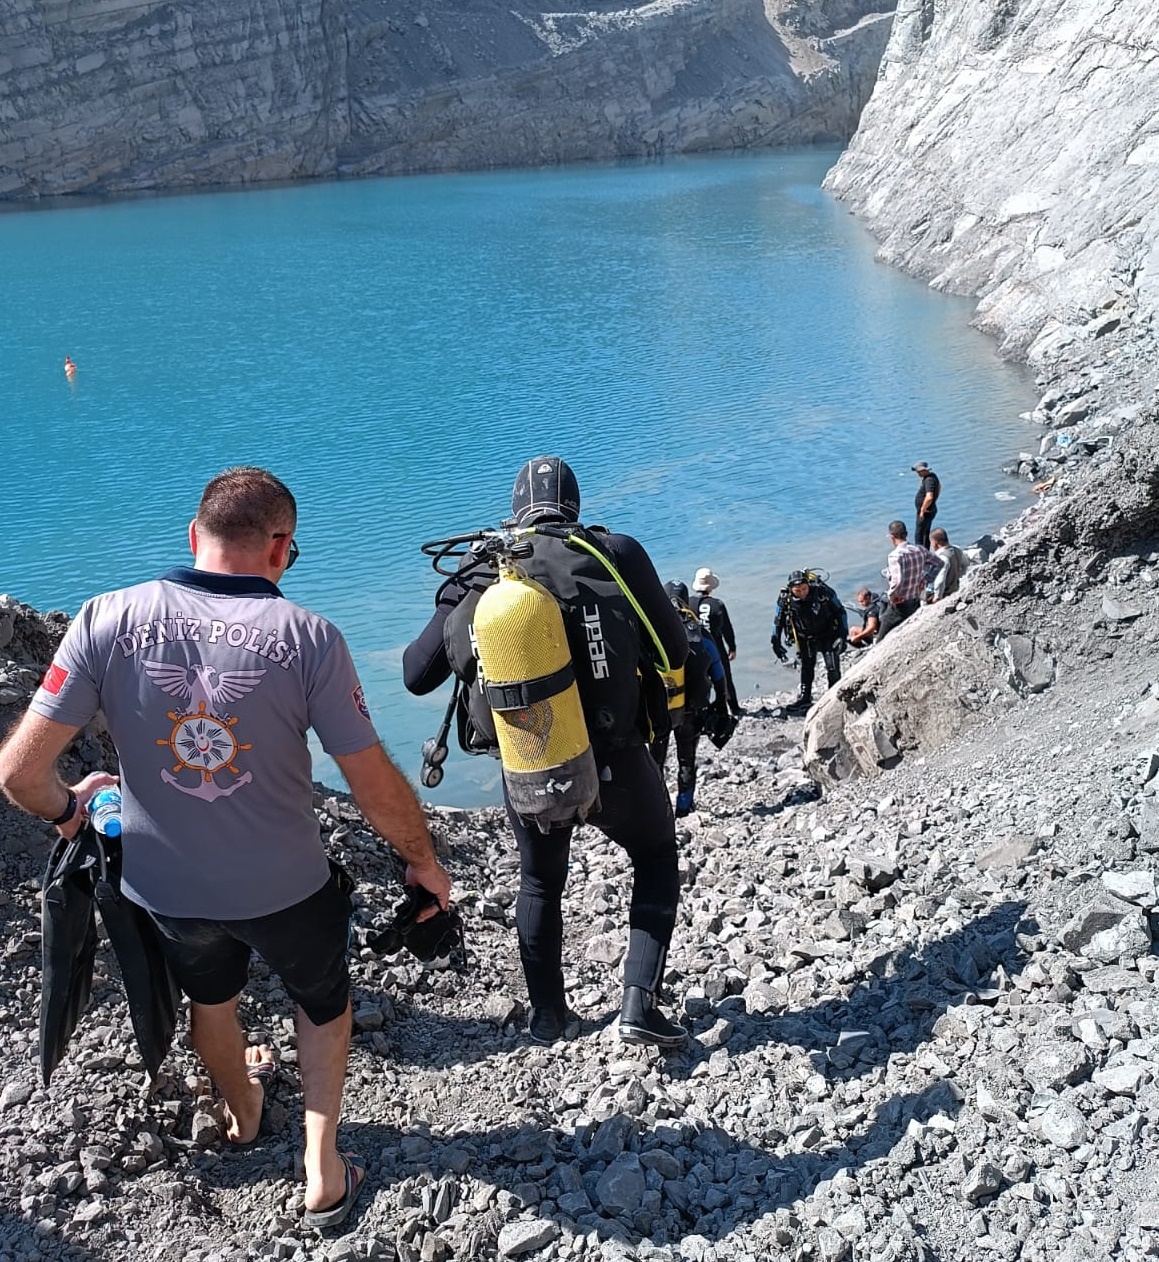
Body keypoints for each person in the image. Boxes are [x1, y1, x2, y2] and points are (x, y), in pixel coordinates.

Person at [0, 466, 451, 1231]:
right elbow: (369, 779)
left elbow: (19, 774)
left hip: (168, 890)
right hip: (289, 888)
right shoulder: (310, 638)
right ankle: (322, 1165)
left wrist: (71, 812)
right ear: (280, 549)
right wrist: (422, 857)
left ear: (193, 538)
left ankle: (243, 1113)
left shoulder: (105, 618)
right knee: (323, 1004)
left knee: (212, 1002)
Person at [403, 456, 690, 1049]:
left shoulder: (482, 569)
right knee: (657, 857)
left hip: (531, 759)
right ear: (575, 507)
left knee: (539, 884)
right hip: (619, 758)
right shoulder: (615, 553)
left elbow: (415, 674)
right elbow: (672, 649)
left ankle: (548, 1018)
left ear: (515, 511)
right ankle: (637, 1003)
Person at [651, 581, 729, 818]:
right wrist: (721, 703)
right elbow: (717, 671)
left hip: (660, 711)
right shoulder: (698, 631)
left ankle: (659, 809)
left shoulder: (652, 630)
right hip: (692, 711)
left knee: (656, 762)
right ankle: (684, 808)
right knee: (686, 760)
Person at [771, 570, 847, 714]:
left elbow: (840, 611)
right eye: (797, 590)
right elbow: (777, 622)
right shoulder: (785, 599)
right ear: (790, 589)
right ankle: (805, 698)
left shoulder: (822, 592)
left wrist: (843, 635)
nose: (802, 593)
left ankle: (834, 697)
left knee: (832, 667)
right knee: (807, 667)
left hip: (827, 634)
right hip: (805, 637)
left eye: (804, 589)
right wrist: (775, 642)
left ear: (809, 585)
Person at [877, 520, 943, 643]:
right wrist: (926, 579)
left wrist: (892, 596)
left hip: (900, 603)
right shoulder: (919, 550)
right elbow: (939, 563)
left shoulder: (895, 556)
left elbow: (897, 581)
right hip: (915, 600)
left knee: (882, 636)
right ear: (906, 534)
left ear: (892, 537)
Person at [691, 567, 742, 718]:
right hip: (716, 648)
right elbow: (727, 628)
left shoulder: (688, 602)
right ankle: (734, 709)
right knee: (725, 678)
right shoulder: (717, 604)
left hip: (696, 649)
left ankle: (700, 709)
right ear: (711, 587)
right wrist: (732, 647)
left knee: (700, 679)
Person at [927, 527, 968, 602]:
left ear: (934, 542)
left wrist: (937, 597)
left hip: (945, 593)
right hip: (955, 587)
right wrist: (959, 575)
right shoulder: (957, 549)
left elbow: (940, 581)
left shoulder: (941, 558)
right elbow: (965, 565)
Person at [912, 461, 941, 548]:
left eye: (919, 472)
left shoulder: (929, 480)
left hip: (926, 512)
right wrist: (935, 500)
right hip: (930, 509)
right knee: (926, 533)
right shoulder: (933, 476)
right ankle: (925, 554)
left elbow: (929, 497)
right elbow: (939, 487)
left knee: (919, 535)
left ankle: (920, 555)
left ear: (924, 470)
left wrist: (922, 510)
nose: (918, 474)